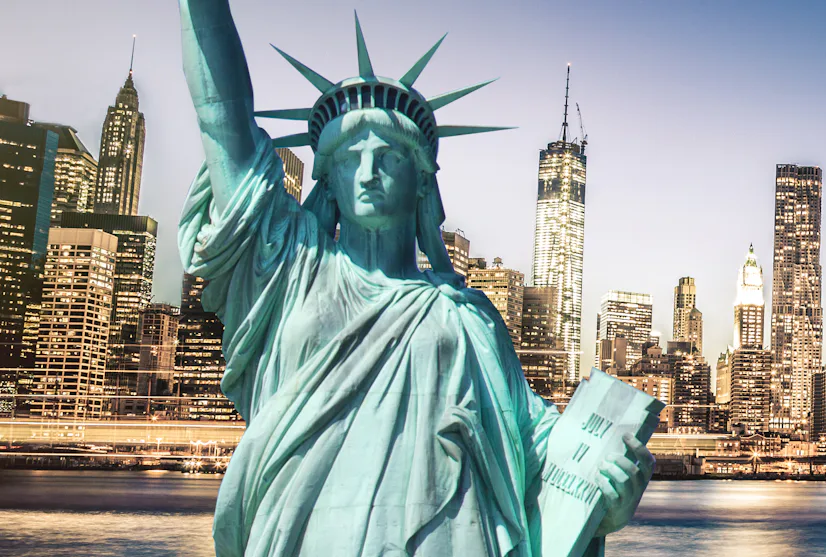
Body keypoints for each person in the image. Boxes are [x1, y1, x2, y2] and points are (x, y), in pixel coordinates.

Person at [177, 1, 649, 554]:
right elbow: (219, 111)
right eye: (352, 156)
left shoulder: (466, 315)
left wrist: (609, 486)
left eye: (390, 157)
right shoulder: (291, 269)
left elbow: (535, 444)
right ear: (327, 182)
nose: (370, 171)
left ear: (424, 183)